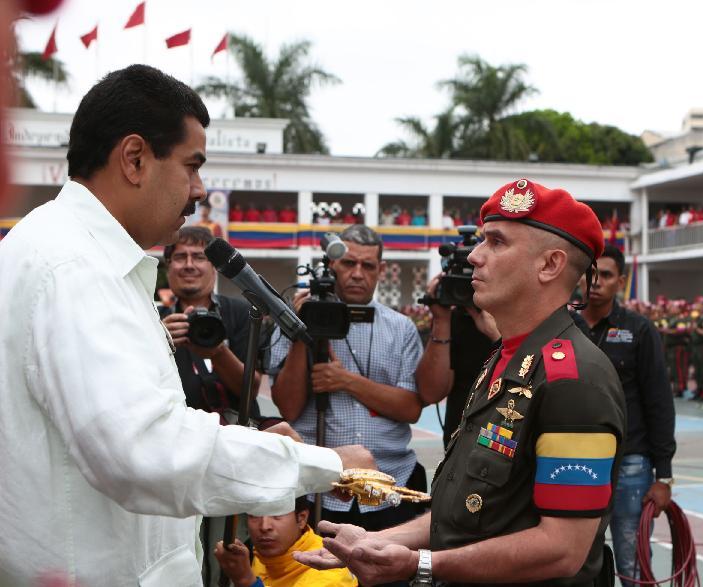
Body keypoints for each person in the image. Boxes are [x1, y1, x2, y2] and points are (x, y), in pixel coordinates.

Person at [0, 65, 373, 586]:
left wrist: (259, 445)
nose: (198, 189)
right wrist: (322, 463)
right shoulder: (73, 268)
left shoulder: (72, 255)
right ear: (134, 159)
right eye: (191, 166)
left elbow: (136, 426)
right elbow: (143, 450)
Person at [296, 178, 626, 586]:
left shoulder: (574, 379)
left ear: (550, 265)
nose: (474, 256)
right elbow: (466, 511)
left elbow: (562, 549)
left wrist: (420, 565)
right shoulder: (506, 358)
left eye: (497, 242)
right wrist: (378, 541)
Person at [268, 224, 428, 535]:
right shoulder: (294, 319)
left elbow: (410, 408)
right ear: (331, 266)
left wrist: (345, 381)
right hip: (319, 486)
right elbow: (287, 407)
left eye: (367, 265)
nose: (357, 273)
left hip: (390, 480)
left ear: (380, 270)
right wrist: (304, 330)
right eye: (348, 263)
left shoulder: (401, 328)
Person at [160, 226, 267, 585]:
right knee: (176, 549)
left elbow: (249, 392)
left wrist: (218, 351)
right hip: (173, 455)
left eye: (199, 257)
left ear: (214, 267)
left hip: (232, 451)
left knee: (230, 549)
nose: (189, 265)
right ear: (168, 266)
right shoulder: (150, 317)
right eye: (180, 257)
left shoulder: (243, 314)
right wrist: (157, 340)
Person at [579, 244, 674, 586]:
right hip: (574, 461)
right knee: (575, 561)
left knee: (632, 562)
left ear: (620, 281)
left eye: (605, 275)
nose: (596, 282)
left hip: (630, 463)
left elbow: (659, 402)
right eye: (591, 274)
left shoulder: (640, 330)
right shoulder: (562, 326)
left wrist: (663, 476)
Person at [416, 276, 499, 448]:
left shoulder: (521, 318)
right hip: (458, 445)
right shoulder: (452, 320)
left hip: (502, 446)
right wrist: (441, 320)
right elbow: (431, 394)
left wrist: (499, 337)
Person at [213, 498, 357, 587]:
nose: (264, 526)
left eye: (277, 514)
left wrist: (245, 580)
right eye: (255, 515)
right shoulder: (263, 552)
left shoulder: (329, 573)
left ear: (301, 519)